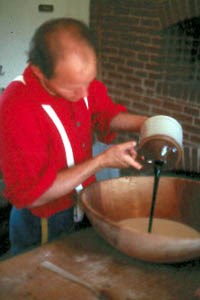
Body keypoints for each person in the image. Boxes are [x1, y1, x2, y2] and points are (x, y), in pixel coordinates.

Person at [0, 18, 147, 255]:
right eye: (72, 88)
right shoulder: (17, 107)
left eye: (89, 82)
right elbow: (33, 194)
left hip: (82, 203)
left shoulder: (79, 84)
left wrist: (148, 124)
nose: (84, 94)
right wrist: (101, 161)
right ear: (39, 71)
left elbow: (104, 112)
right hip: (44, 221)